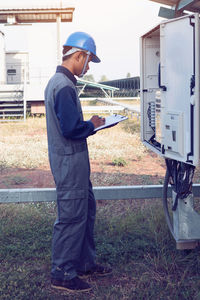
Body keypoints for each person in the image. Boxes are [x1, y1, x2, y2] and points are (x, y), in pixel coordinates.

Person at [45, 31, 112, 293]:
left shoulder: (64, 83)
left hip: (75, 164)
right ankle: (62, 273)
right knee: (72, 217)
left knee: (85, 211)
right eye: (88, 61)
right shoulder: (62, 85)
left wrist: (91, 125)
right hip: (69, 164)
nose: (87, 67)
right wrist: (93, 125)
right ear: (79, 55)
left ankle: (84, 263)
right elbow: (71, 129)